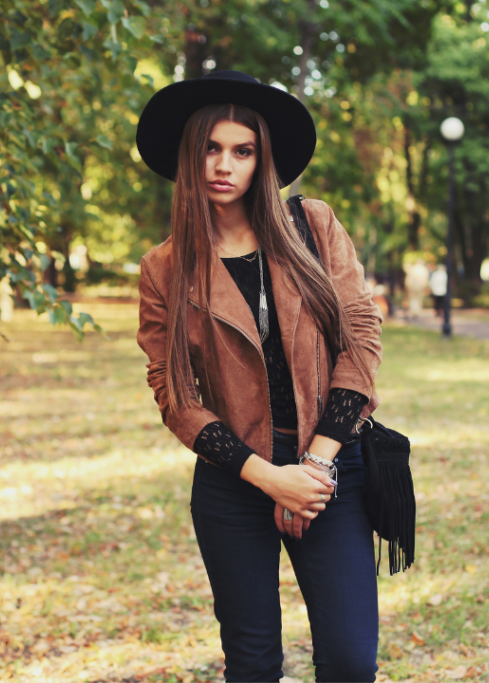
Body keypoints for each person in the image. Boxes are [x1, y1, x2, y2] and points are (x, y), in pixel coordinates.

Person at [134, 71, 383, 682]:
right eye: (210, 149)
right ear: (189, 159)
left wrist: (315, 467)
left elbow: (361, 340)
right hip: (234, 483)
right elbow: (176, 397)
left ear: (261, 159)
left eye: (242, 150)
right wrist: (270, 479)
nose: (224, 164)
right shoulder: (164, 267)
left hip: (331, 475)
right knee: (251, 663)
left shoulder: (314, 227)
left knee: (351, 662)